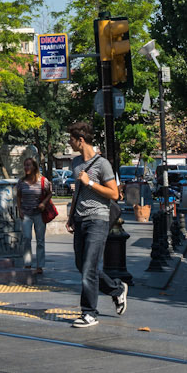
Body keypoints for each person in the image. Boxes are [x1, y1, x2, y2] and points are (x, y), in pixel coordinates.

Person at [65, 122, 126, 327]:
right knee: (81, 265)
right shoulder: (75, 163)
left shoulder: (102, 164)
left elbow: (114, 194)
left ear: (80, 141)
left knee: (89, 267)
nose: (69, 143)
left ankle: (89, 313)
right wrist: (71, 215)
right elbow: (77, 192)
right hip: (80, 219)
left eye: (71, 139)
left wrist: (90, 182)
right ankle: (117, 289)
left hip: (98, 219)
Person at [16, 154, 51, 278]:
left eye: (29, 165)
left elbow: (49, 193)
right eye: (25, 165)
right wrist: (19, 209)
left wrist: (43, 203)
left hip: (39, 214)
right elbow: (19, 196)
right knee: (26, 238)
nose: (26, 167)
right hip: (26, 214)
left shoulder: (43, 180)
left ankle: (40, 266)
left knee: (40, 240)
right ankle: (27, 264)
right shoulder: (21, 182)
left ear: (34, 167)